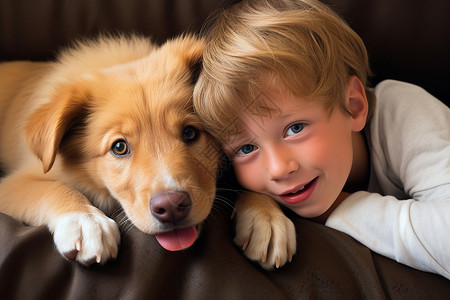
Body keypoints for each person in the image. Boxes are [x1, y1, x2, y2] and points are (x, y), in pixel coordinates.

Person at [193, 0, 450, 279]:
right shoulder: (260, 186)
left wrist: (340, 206)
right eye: (246, 148)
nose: (278, 168)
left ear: (353, 105)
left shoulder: (405, 111)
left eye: (295, 128)